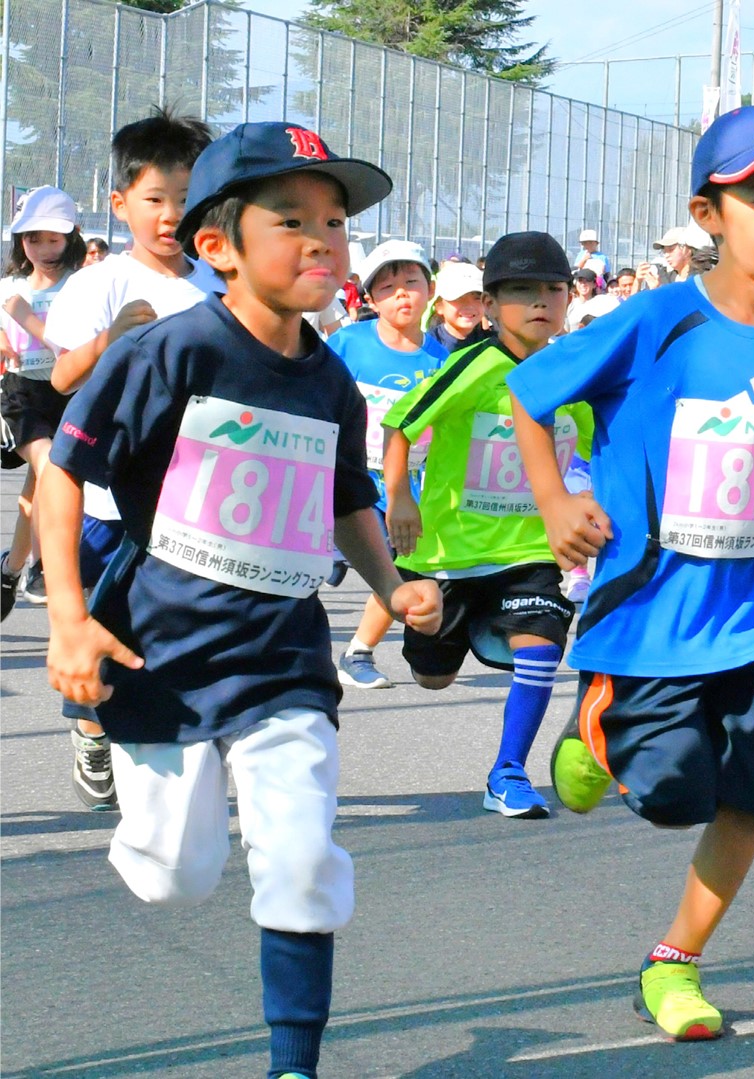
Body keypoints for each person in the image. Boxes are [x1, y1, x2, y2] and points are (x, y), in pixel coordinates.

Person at [38, 119, 441, 1079]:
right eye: (290, 220)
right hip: (162, 653)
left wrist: (392, 584)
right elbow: (62, 473)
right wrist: (68, 618)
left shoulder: (331, 379)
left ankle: (293, 1063)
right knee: (176, 877)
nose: (322, 241)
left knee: (301, 861)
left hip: (282, 658)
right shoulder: (169, 351)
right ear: (217, 245)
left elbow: (345, 496)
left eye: (334, 221)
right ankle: (106, 747)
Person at [510, 105, 754, 1039]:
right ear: (708, 216)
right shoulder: (656, 319)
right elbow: (527, 392)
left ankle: (675, 960)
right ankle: (594, 730)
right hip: (649, 609)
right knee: (673, 793)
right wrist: (554, 501)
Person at [379, 232, 590, 820]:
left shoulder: (573, 372)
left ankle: (508, 772)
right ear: (490, 306)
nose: (540, 302)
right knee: (433, 677)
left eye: (553, 289)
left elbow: (599, 446)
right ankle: (465, 633)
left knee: (542, 648)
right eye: (521, 291)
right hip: (447, 555)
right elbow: (399, 425)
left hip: (530, 551)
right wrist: (399, 498)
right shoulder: (472, 366)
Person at [44, 106, 217, 812]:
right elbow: (62, 380)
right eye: (155, 199)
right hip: (106, 498)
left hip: (194, 497)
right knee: (102, 619)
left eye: (186, 197)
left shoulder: (220, 282)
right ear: (120, 205)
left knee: (173, 629)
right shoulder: (100, 283)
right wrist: (111, 338)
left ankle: (177, 738)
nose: (171, 215)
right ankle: (90, 726)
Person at [326, 240, 449, 690]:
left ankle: (358, 652)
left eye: (412, 283)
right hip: (344, 480)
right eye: (388, 287)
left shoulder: (443, 362)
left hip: (409, 488)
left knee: (399, 571)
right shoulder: (347, 344)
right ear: (371, 299)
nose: (402, 294)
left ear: (430, 290)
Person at [1, 187, 87, 620]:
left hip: (70, 393)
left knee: (38, 487)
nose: (43, 248)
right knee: (53, 466)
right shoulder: (9, 288)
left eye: (53, 239)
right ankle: (44, 567)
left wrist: (26, 319)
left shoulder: (83, 285)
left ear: (71, 236)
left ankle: (10, 571)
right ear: (21, 241)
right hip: (22, 395)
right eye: (33, 239)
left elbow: (70, 348)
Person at [428, 259, 489, 351]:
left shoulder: (494, 345)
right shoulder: (425, 347)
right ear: (439, 306)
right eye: (459, 297)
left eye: (477, 297)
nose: (469, 305)